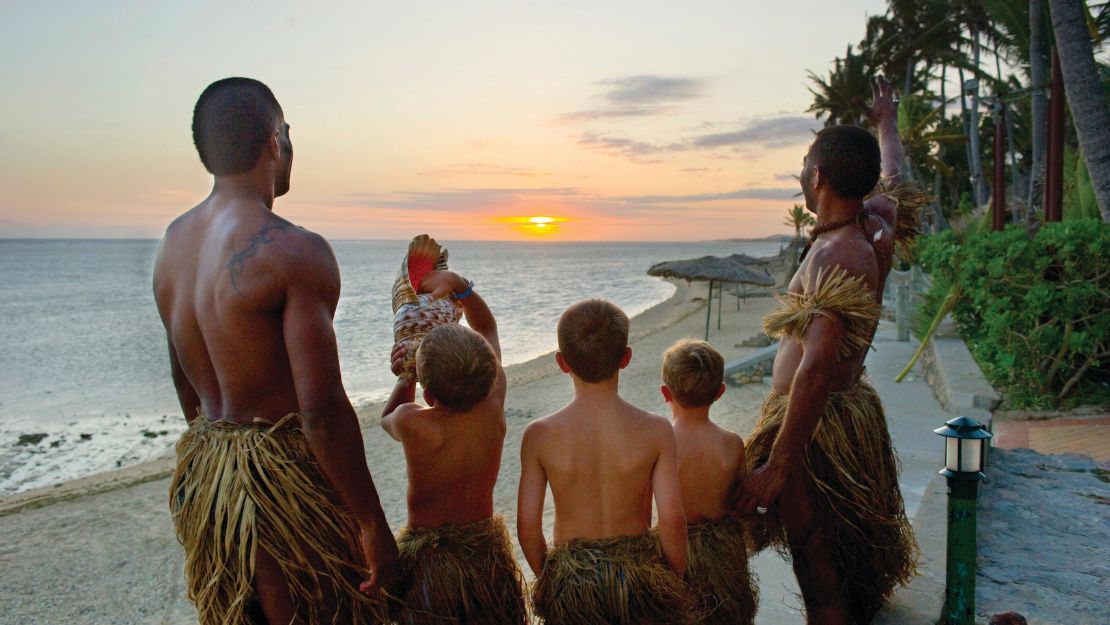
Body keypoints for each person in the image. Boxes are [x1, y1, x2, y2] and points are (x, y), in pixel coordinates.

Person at [154, 77, 397, 625]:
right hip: (279, 494)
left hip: (214, 488)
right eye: (288, 132)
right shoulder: (294, 250)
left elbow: (184, 385)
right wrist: (370, 525)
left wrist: (216, 470)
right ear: (272, 142)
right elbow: (322, 412)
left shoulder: (172, 244)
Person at [734, 76, 924, 625]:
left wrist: (778, 463)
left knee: (816, 564)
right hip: (843, 409)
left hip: (815, 428)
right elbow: (896, 179)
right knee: (845, 558)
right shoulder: (875, 219)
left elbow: (816, 366)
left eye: (804, 163)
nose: (801, 170)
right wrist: (886, 126)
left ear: (816, 177)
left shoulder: (837, 254)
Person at [517, 300, 696, 625]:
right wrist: (672, 579)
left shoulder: (539, 435)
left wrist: (550, 578)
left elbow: (527, 525)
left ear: (561, 362)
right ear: (625, 357)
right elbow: (671, 518)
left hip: (574, 585)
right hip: (636, 582)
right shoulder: (656, 429)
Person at [379, 270, 527, 625]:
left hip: (430, 565)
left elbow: (387, 418)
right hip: (484, 555)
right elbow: (487, 329)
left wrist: (406, 375)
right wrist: (462, 288)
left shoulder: (413, 423)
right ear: (489, 374)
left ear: (428, 394)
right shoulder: (493, 401)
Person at [660, 339, 758, 625]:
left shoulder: (663, 444)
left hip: (679, 551)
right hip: (724, 553)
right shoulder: (731, 444)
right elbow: (742, 500)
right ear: (720, 392)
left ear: (666, 393)